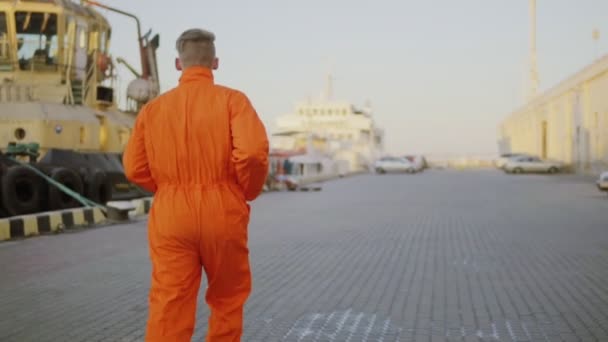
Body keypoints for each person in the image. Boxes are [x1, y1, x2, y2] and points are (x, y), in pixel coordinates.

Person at [123, 28, 269, 342]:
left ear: (179, 64)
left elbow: (134, 168)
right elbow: (253, 154)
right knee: (227, 299)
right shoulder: (233, 101)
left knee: (170, 301)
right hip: (223, 209)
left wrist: (168, 186)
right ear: (215, 62)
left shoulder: (152, 110)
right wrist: (245, 191)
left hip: (171, 214)